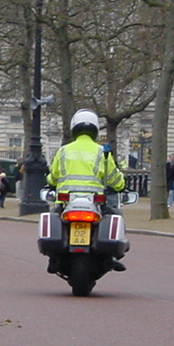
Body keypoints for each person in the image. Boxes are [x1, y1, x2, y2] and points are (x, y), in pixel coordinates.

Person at [46, 109, 128, 270]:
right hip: (94, 201)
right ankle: (112, 256)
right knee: (117, 214)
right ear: (95, 129)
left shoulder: (64, 151)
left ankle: (53, 257)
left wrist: (50, 182)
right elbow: (113, 177)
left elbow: (53, 176)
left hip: (66, 200)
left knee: (55, 217)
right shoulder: (101, 151)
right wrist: (121, 185)